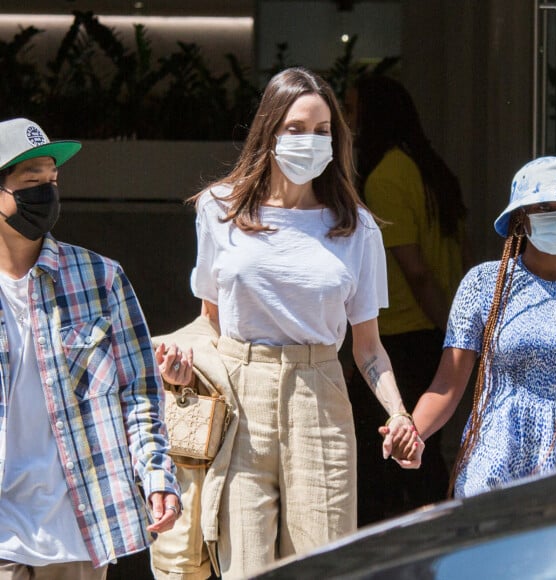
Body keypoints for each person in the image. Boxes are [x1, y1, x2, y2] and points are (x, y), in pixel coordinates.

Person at [152, 67, 424, 580]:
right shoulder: (220, 209)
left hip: (320, 394)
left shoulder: (356, 227)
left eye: (323, 130)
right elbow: (208, 320)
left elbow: (368, 348)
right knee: (243, 567)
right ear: (270, 131)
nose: (311, 140)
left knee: (322, 566)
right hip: (238, 398)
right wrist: (179, 363)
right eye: (297, 128)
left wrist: (400, 415)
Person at [0, 117, 181, 580]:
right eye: (30, 181)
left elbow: (140, 395)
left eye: (51, 180)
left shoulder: (101, 279)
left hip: (78, 534)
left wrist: (157, 476)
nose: (46, 191)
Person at [406, 156, 556, 498]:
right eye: (544, 205)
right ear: (521, 217)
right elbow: (447, 385)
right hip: (496, 460)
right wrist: (412, 434)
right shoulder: (484, 285)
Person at [346, 74, 471, 524]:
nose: (348, 123)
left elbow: (414, 269)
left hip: (398, 336)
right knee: (427, 451)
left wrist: (448, 326)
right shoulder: (433, 169)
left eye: (353, 111)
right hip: (435, 330)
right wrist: (455, 330)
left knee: (389, 457)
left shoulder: (385, 177)